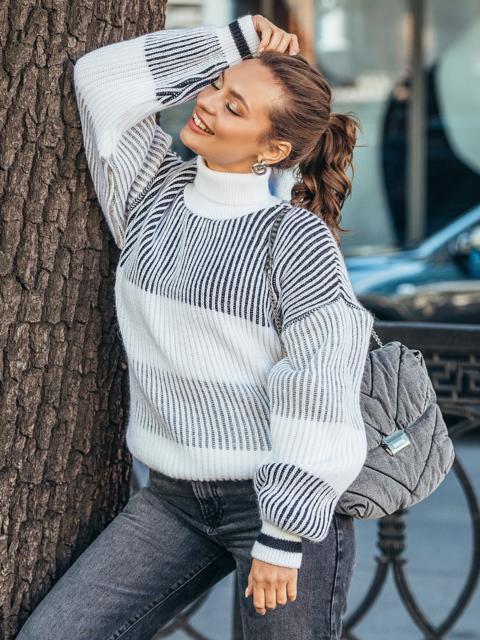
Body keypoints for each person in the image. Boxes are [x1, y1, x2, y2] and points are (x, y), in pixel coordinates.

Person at [17, 13, 374, 640]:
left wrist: (284, 532)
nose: (207, 103)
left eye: (234, 107)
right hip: (173, 500)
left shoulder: (294, 240)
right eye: (215, 85)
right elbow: (98, 80)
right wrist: (231, 42)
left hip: (275, 506)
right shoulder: (152, 194)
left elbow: (321, 381)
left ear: (272, 151)